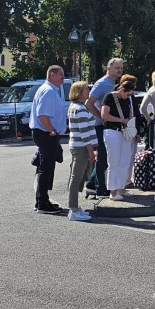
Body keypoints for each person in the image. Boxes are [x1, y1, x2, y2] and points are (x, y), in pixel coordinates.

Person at [29, 65, 67, 214]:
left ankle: (43, 200)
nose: (63, 77)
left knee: (46, 167)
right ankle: (42, 203)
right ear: (52, 75)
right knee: (46, 169)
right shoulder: (49, 91)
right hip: (46, 134)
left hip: (45, 133)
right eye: (61, 75)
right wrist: (51, 130)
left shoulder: (49, 90)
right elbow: (43, 115)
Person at [84, 58, 124, 197]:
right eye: (117, 68)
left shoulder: (115, 83)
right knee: (103, 156)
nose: (119, 70)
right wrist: (100, 117)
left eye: (121, 68)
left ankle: (91, 184)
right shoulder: (101, 84)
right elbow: (89, 103)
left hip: (111, 125)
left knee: (107, 155)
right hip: (101, 125)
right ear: (109, 68)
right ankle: (99, 187)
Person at [100, 78, 140, 200]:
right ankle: (113, 191)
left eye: (131, 95)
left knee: (125, 161)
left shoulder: (127, 99)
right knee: (114, 162)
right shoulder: (110, 97)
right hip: (112, 131)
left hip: (125, 132)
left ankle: (121, 188)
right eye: (128, 94)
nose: (129, 97)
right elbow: (104, 115)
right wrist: (121, 120)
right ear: (122, 89)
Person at [66, 81, 96, 221]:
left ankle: (76, 208)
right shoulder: (81, 109)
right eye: (86, 89)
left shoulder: (74, 106)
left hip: (76, 145)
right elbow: (84, 132)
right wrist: (91, 151)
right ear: (79, 92)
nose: (88, 90)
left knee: (76, 178)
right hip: (81, 147)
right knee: (76, 178)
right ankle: (73, 210)